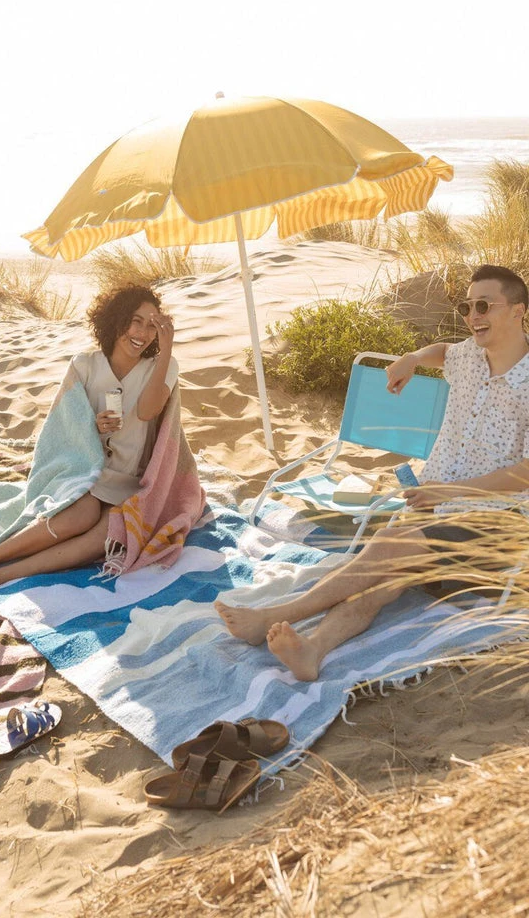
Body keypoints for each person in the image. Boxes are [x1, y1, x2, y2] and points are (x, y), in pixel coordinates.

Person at [216, 264, 529, 681]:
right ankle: (312, 649)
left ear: (518, 311)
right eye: (466, 307)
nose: (473, 316)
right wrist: (412, 358)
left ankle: (274, 615)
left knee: (387, 543)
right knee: (383, 580)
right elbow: (443, 350)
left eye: (484, 306)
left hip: (495, 523)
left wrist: (449, 492)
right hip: (436, 508)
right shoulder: (470, 356)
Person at [0, 284, 179, 597]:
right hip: (85, 472)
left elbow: (147, 412)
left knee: (107, 535)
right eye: (135, 321)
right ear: (116, 320)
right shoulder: (85, 365)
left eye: (152, 325)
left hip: (131, 482)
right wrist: (91, 427)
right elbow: (62, 428)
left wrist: (166, 349)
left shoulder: (162, 367)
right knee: (82, 515)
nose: (143, 333)